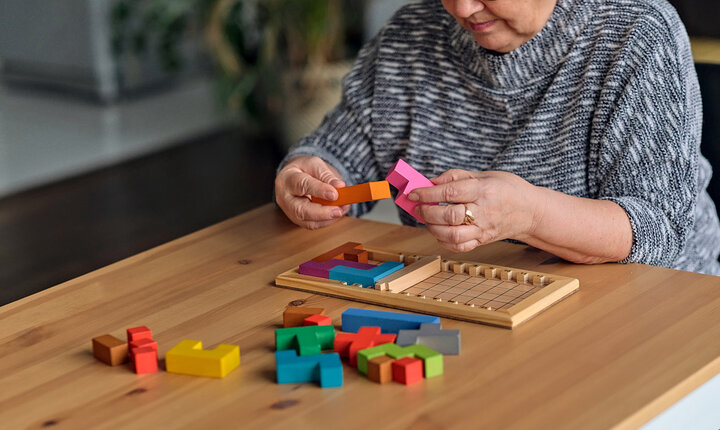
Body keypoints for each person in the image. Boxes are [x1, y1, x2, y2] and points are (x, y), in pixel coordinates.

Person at [274, 0, 720, 275]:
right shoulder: (409, 37)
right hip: (473, 302)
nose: (463, 8)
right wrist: (307, 175)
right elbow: (341, 154)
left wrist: (528, 213)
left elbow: (657, 231)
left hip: (653, 310)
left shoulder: (638, 32)